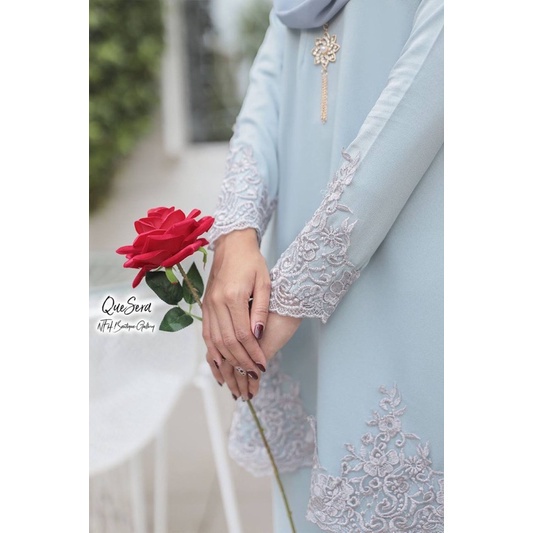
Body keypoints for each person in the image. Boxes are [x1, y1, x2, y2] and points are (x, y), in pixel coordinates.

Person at [202, 0, 444, 530]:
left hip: (404, 275)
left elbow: (425, 95)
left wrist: (298, 289)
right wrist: (236, 236)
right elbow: (267, 87)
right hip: (293, 306)